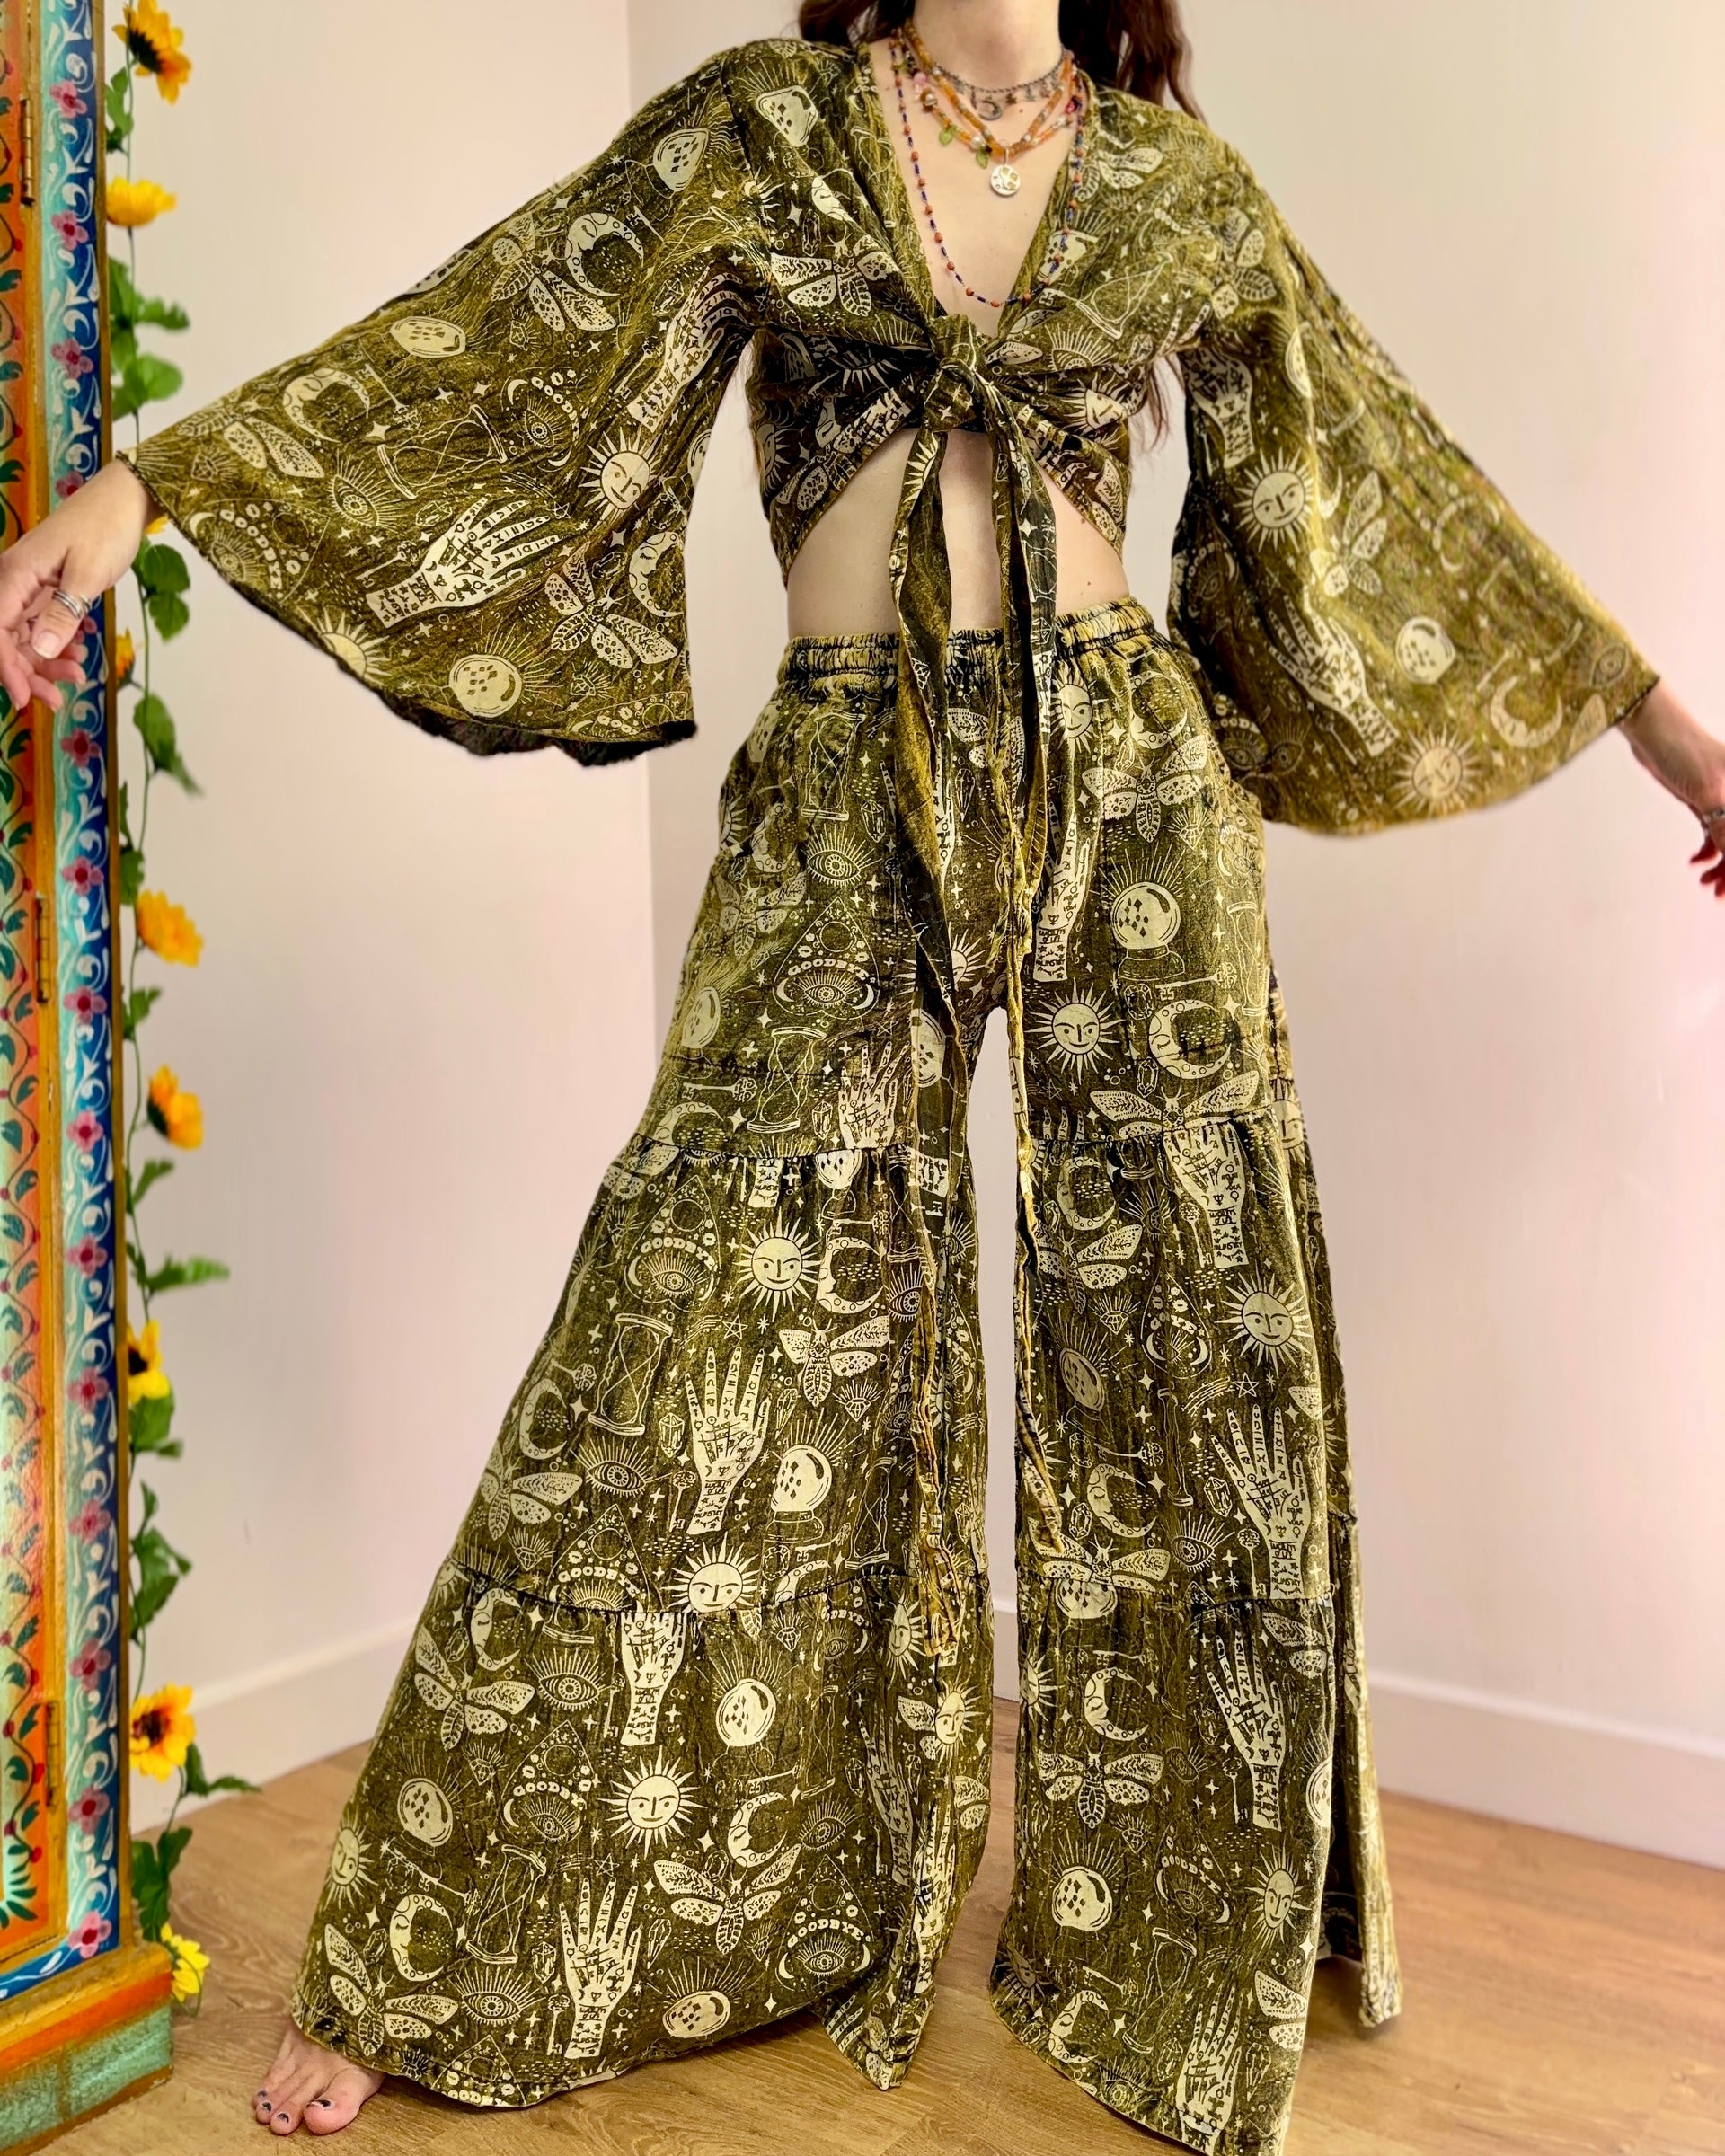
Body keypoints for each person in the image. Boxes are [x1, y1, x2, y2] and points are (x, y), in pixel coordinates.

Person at [4, 2, 1719, 2147]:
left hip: (1130, 782)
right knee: (702, 1303)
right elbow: (507, 339)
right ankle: (466, 1933)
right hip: (844, 776)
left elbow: (1384, 486)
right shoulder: (775, 126)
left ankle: (1186, 1916)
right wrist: (141, 491)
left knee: (1197, 1324)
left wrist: (1679, 742)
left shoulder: (1175, 183)